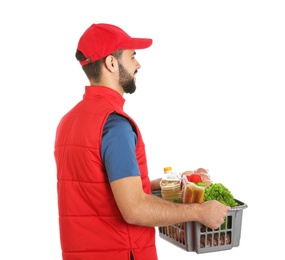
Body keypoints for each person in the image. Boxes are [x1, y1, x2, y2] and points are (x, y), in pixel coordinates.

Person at [54, 23, 230, 260]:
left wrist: (159, 184)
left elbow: (96, 187)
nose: (138, 64)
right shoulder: (114, 125)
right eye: (132, 56)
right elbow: (135, 210)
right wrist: (199, 212)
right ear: (111, 63)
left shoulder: (69, 121)